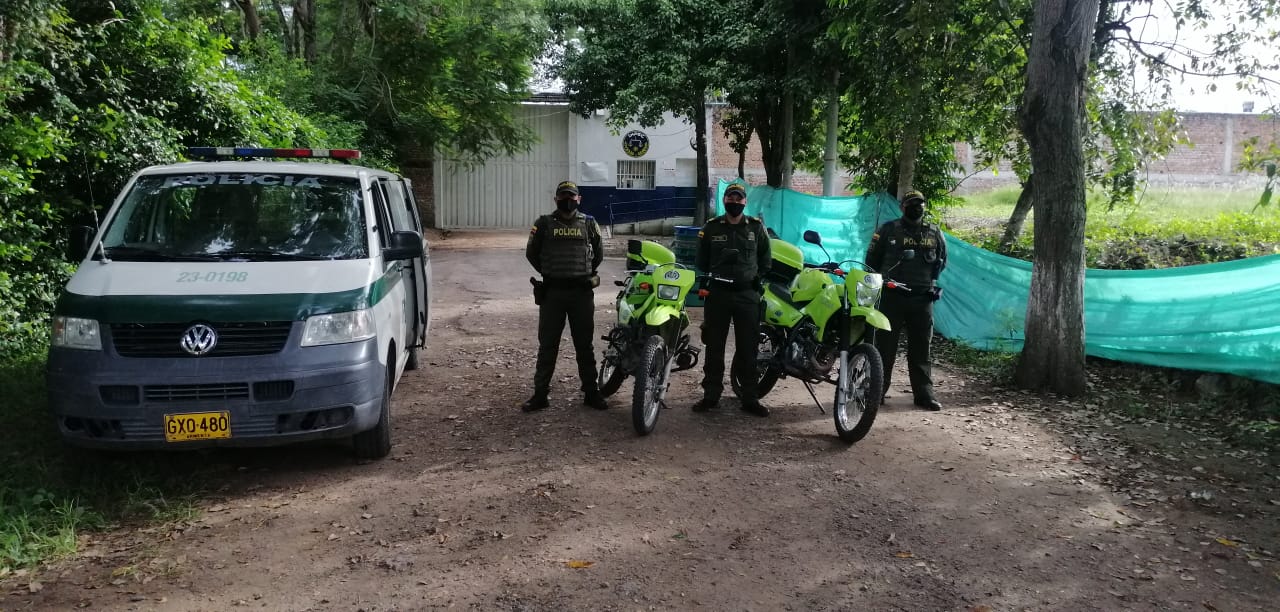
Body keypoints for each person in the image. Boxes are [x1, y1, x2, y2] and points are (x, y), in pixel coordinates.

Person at [522, 180, 607, 412]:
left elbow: (598, 254)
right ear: (556, 199)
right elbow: (531, 253)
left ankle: (591, 393)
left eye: (571, 196)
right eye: (563, 196)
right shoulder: (543, 223)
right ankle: (540, 395)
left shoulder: (589, 223)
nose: (567, 200)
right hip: (553, 293)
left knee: (584, 346)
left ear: (579, 199)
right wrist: (550, 273)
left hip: (581, 293)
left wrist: (582, 274)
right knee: (547, 346)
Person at [692, 180, 772, 417]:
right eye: (731, 198)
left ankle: (750, 398)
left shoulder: (756, 228)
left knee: (748, 349)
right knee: (714, 347)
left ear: (745, 202)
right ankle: (711, 395)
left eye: (739, 198)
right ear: (724, 200)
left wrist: (757, 280)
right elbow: (701, 260)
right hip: (718, 293)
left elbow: (766, 260)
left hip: (747, 295)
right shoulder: (711, 227)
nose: (734, 202)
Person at [866, 189, 947, 411]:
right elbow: (872, 261)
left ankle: (924, 395)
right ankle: (876, 392)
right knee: (884, 348)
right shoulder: (888, 230)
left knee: (922, 349)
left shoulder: (934, 232)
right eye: (912, 204)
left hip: (922, 299)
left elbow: (941, 261)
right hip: (892, 297)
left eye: (920, 204)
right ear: (902, 207)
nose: (916, 208)